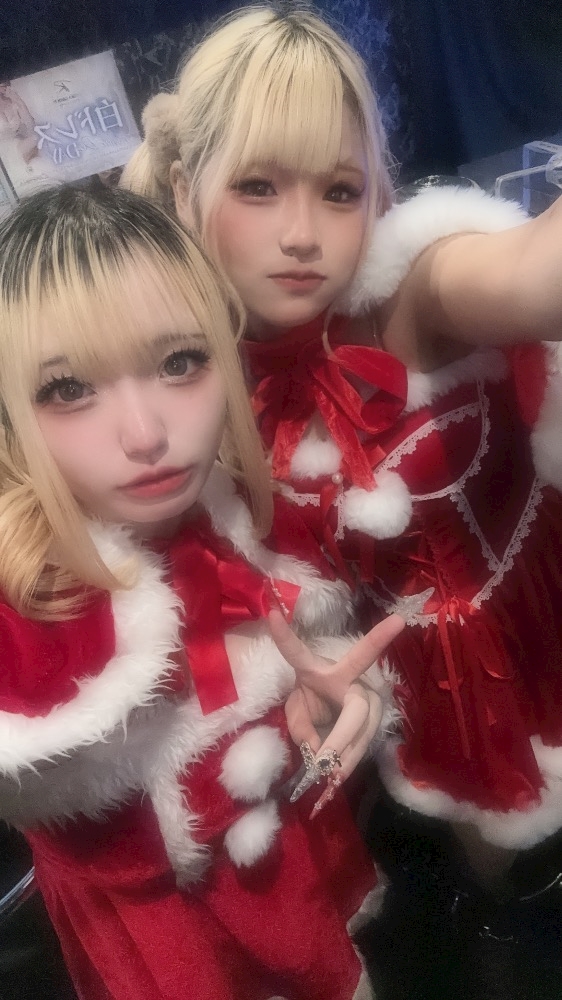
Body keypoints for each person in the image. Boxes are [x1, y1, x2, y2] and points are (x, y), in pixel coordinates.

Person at [122, 2, 562, 935]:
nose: (302, 235)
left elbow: (535, 270)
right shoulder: (182, 363)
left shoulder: (406, 291)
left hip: (537, 637)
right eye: (257, 186)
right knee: (480, 909)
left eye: (338, 190)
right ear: (187, 186)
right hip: (382, 698)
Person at [0, 183, 407, 1000]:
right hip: (160, 927)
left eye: (180, 362)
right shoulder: (21, 607)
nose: (147, 435)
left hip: (286, 861)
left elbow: (299, 651)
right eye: (67, 388)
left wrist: (334, 689)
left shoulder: (242, 510)